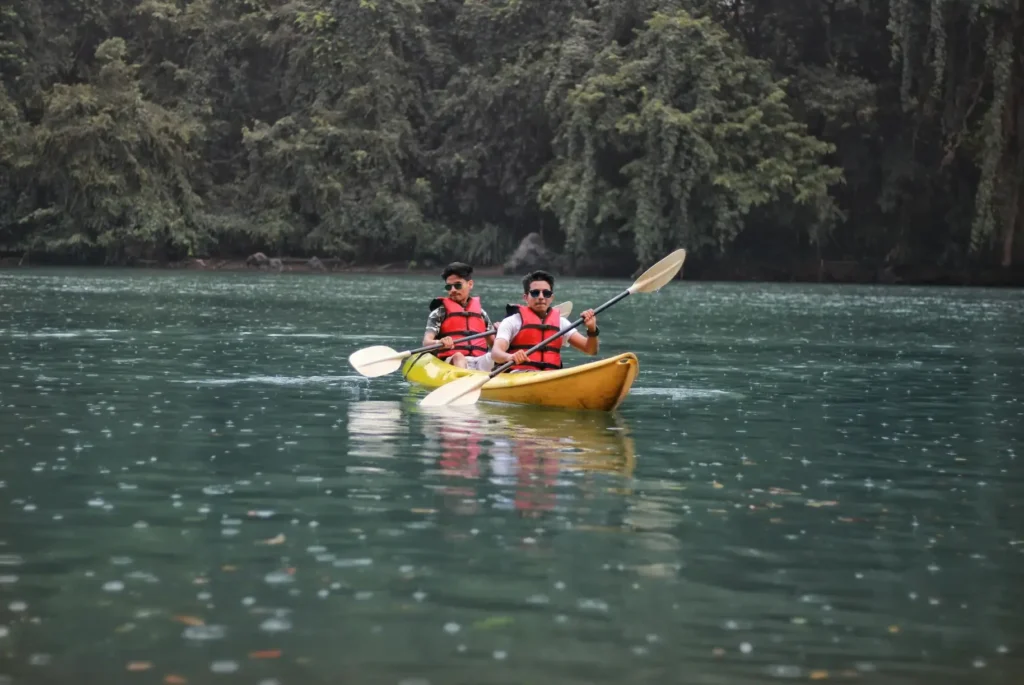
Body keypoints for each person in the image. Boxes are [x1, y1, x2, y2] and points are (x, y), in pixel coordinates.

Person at [490, 269, 598, 371]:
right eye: (535, 293)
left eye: (546, 293)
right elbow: (496, 353)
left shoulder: (561, 323)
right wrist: (510, 356)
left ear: (551, 298)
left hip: (551, 376)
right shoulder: (512, 322)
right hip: (518, 375)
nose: (541, 297)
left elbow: (591, 350)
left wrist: (592, 329)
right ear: (526, 297)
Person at [423, 262, 496, 371]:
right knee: (459, 356)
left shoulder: (481, 314)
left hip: (479, 360)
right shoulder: (439, 313)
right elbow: (426, 343)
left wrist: (501, 333)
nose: (452, 290)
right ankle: (463, 380)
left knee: (495, 357)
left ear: (470, 284)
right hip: (452, 361)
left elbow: (494, 345)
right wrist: (439, 342)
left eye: (457, 285)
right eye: (449, 286)